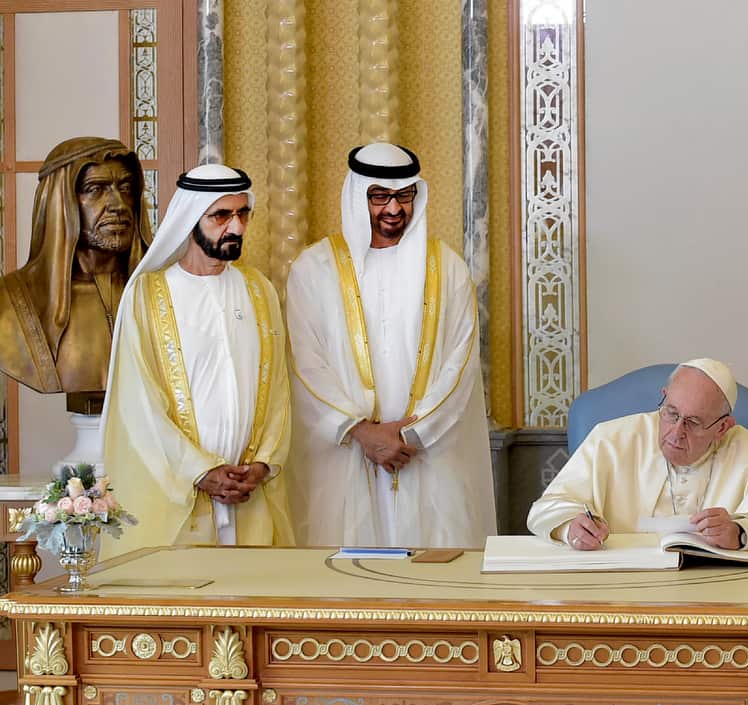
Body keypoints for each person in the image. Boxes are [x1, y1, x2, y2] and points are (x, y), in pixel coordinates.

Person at [287, 142, 495, 547]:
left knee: (434, 582)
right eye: (379, 196)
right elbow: (303, 362)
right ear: (356, 196)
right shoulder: (315, 269)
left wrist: (413, 435)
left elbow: (461, 363)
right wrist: (361, 431)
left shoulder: (447, 267)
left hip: (428, 456)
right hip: (345, 455)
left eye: (404, 196)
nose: (394, 209)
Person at [100, 164, 293, 558]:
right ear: (191, 219)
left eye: (242, 214)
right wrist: (200, 471)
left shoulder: (259, 291)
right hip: (178, 497)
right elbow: (138, 404)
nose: (236, 228)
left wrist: (262, 464)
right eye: (221, 216)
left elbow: (278, 393)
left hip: (249, 497)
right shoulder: (147, 296)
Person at [527, 359, 748, 551]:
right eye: (671, 413)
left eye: (693, 422)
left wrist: (742, 532)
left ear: (722, 427)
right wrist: (570, 527)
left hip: (718, 599)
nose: (676, 432)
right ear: (664, 396)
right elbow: (545, 509)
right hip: (622, 592)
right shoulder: (610, 440)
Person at [0, 137, 149, 396]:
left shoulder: (160, 294)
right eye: (95, 189)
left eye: (125, 188)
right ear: (60, 203)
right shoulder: (8, 303)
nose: (119, 205)